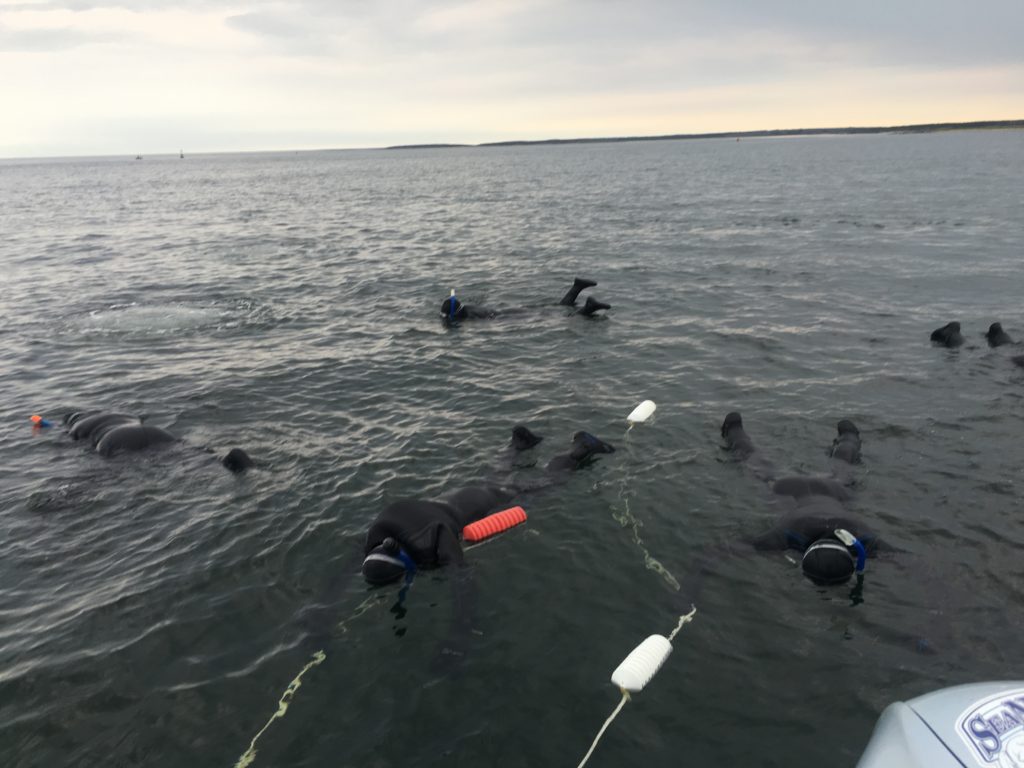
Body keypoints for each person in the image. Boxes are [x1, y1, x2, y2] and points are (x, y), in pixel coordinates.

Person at [361, 427, 615, 584]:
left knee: (545, 485)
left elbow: (462, 577)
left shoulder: (435, 536)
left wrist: (460, 637)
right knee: (493, 478)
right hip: (460, 496)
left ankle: (581, 448)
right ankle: (518, 444)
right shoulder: (384, 526)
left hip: (481, 505)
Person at [721, 412, 882, 585]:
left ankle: (849, 437)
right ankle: (734, 430)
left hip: (833, 489)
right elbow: (722, 551)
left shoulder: (860, 534)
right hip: (785, 488)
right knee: (755, 462)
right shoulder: (789, 533)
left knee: (843, 467)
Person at [439, 276, 610, 323]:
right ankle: (577, 287)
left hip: (505, 317)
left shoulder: (466, 318)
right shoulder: (468, 307)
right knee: (552, 309)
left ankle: (588, 308)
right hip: (507, 310)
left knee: (555, 317)